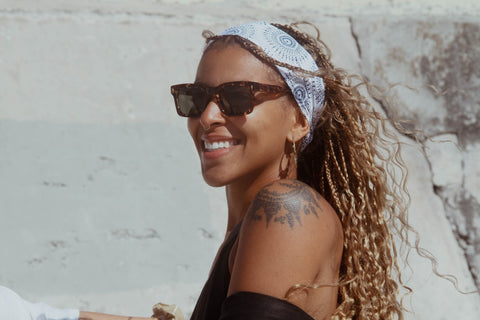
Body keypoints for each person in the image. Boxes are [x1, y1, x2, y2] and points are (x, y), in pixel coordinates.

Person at [1, 21, 411, 320]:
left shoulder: (286, 211)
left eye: (236, 97)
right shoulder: (249, 228)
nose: (209, 116)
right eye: (195, 98)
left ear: (299, 120)